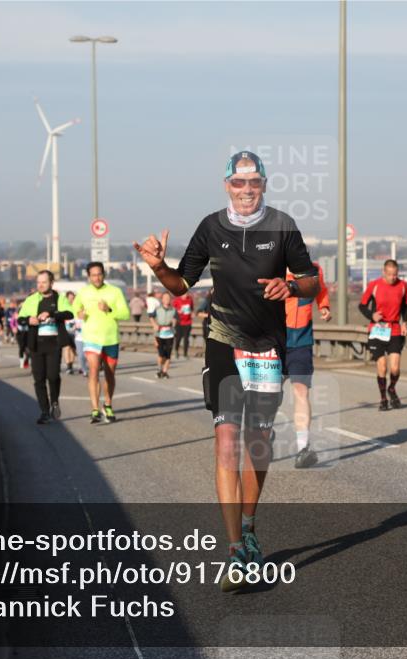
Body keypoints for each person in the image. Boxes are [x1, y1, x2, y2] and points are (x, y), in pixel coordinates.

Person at [134, 149, 320, 592]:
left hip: (267, 350)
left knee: (257, 444)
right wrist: (160, 266)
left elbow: (311, 280)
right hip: (223, 343)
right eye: (238, 183)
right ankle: (236, 550)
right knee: (226, 439)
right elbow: (182, 285)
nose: (246, 190)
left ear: (264, 185)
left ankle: (251, 529)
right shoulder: (210, 227)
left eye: (254, 182)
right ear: (226, 186)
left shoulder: (282, 225)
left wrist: (291, 285)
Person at [284, 262, 330, 468]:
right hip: (275, 340)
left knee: (301, 392)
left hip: (302, 341)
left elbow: (321, 290)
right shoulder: (271, 267)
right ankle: (265, 429)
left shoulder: (314, 270)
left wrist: (324, 307)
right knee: (270, 396)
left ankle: (303, 447)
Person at [75, 262, 130, 423]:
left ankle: (108, 404)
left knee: (109, 374)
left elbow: (125, 314)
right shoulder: (83, 292)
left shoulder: (115, 292)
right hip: (91, 338)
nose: (97, 278)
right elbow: (75, 308)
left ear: (104, 275)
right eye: (93, 275)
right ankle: (94, 409)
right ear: (88, 277)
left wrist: (109, 309)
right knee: (93, 371)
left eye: (99, 274)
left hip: (110, 339)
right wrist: (79, 313)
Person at [18, 271, 74, 424]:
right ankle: (44, 411)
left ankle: (54, 401)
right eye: (38, 282)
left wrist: (51, 314)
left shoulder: (59, 298)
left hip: (54, 343)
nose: (40, 285)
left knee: (53, 376)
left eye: (44, 282)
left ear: (51, 283)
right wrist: (29, 320)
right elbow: (20, 319)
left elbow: (70, 314)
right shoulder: (31, 300)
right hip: (36, 344)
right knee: (39, 379)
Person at [359, 259, 407, 411]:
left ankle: (392, 388)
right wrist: (371, 315)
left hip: (394, 329)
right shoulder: (374, 285)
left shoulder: (403, 286)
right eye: (389, 274)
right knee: (382, 367)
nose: (392, 278)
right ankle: (383, 399)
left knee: (395, 368)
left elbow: (405, 307)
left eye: (395, 275)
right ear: (383, 272)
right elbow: (361, 305)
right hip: (377, 329)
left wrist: (405, 322)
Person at [149, 292, 177, 378]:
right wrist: (154, 324)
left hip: (170, 334)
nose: (167, 300)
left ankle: (165, 371)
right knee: (161, 354)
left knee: (168, 354)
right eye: (165, 298)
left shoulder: (173, 310)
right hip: (159, 334)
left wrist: (174, 322)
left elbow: (176, 319)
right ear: (162, 300)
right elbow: (151, 317)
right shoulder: (157, 309)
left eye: (168, 298)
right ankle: (159, 369)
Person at [172, 291, 194, 359]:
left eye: (186, 293)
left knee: (186, 339)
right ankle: (176, 351)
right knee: (178, 338)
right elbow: (172, 309)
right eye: (184, 293)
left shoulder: (190, 299)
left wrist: (192, 314)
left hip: (188, 322)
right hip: (179, 322)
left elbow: (192, 308)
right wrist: (178, 311)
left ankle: (185, 354)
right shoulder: (177, 300)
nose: (185, 295)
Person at [62, 290, 79, 375]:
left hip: (75, 332)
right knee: (67, 348)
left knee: (73, 349)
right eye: (70, 298)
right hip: (65, 331)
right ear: (67, 298)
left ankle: (71, 365)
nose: (71, 300)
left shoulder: (77, 307)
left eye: (73, 298)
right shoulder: (64, 306)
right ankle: (68, 366)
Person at [13, 298, 30, 369]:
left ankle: (27, 359)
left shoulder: (29, 311)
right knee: (21, 347)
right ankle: (21, 362)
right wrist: (14, 327)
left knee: (29, 348)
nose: (22, 305)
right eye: (21, 304)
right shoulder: (16, 312)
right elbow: (12, 322)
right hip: (19, 332)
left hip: (27, 331)